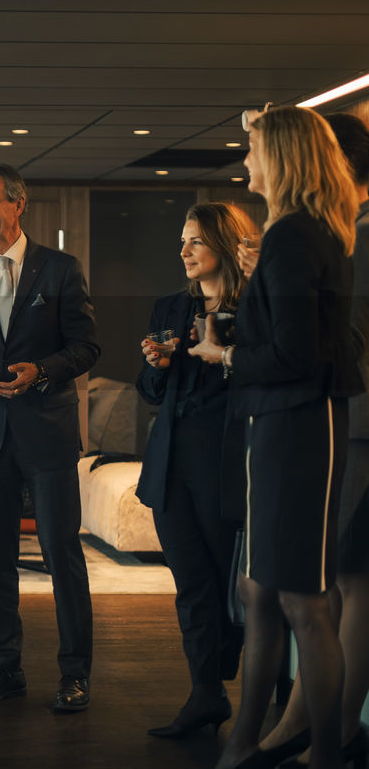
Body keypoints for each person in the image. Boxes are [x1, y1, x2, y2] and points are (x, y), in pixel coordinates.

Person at [188, 105, 361, 769]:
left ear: (283, 157)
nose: (246, 162)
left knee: (303, 603)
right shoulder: (304, 232)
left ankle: (322, 753)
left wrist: (222, 355)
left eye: (254, 148)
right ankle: (244, 744)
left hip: (297, 424)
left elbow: (298, 356)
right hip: (282, 422)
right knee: (259, 592)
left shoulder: (294, 237)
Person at [0, 163, 99, 713]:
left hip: (48, 432)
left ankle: (75, 674)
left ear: (17, 204)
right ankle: (3, 669)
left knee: (61, 554)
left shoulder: (60, 269)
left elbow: (86, 347)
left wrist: (44, 370)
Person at [254, 112, 369, 767]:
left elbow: (335, 344)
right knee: (333, 586)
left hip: (342, 423)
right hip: (340, 419)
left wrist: (240, 348)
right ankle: (319, 730)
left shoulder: (335, 237)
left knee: (331, 587)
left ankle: (328, 735)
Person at [135, 202, 256, 738]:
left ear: (225, 247)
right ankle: (205, 692)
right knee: (190, 584)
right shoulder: (169, 308)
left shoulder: (256, 307)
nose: (183, 252)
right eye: (182, 242)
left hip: (228, 463)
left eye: (195, 243)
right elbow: (151, 393)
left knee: (229, 583)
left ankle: (237, 685)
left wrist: (222, 354)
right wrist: (156, 366)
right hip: (171, 464)